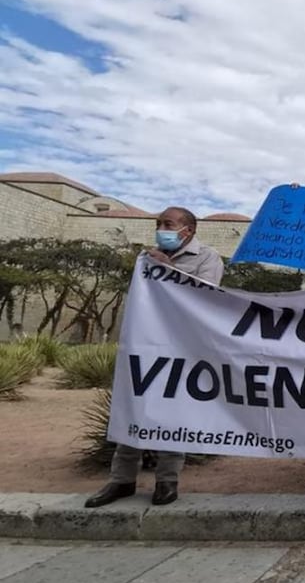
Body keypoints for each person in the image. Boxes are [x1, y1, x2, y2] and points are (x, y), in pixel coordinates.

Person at [85, 207, 224, 508]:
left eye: (168, 224)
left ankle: (167, 481)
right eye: (159, 223)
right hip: (146, 345)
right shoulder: (144, 258)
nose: (161, 228)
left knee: (173, 412)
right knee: (132, 406)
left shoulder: (207, 257)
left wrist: (169, 269)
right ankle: (121, 480)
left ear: (189, 230)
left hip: (183, 347)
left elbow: (207, 295)